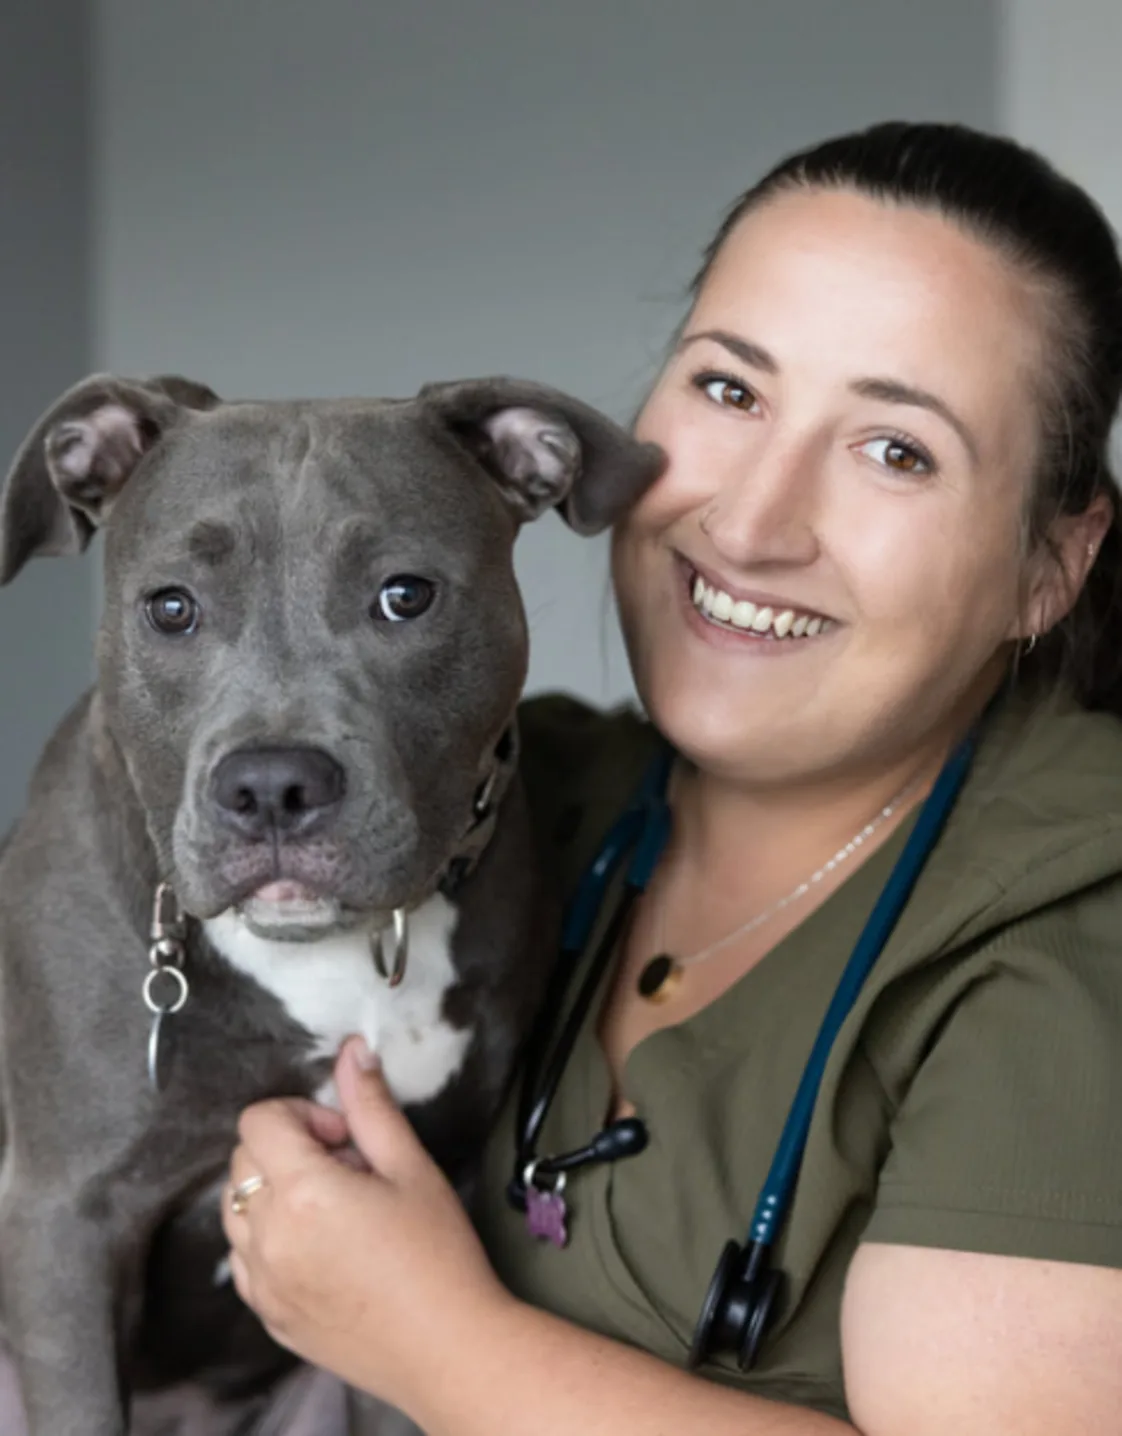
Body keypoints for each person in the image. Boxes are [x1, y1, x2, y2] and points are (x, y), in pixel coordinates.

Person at [221, 121, 1122, 1434]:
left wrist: (437, 1344)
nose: (749, 525)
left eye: (895, 451)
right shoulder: (522, 798)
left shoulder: (1069, 933)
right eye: (728, 390)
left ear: (1051, 565)